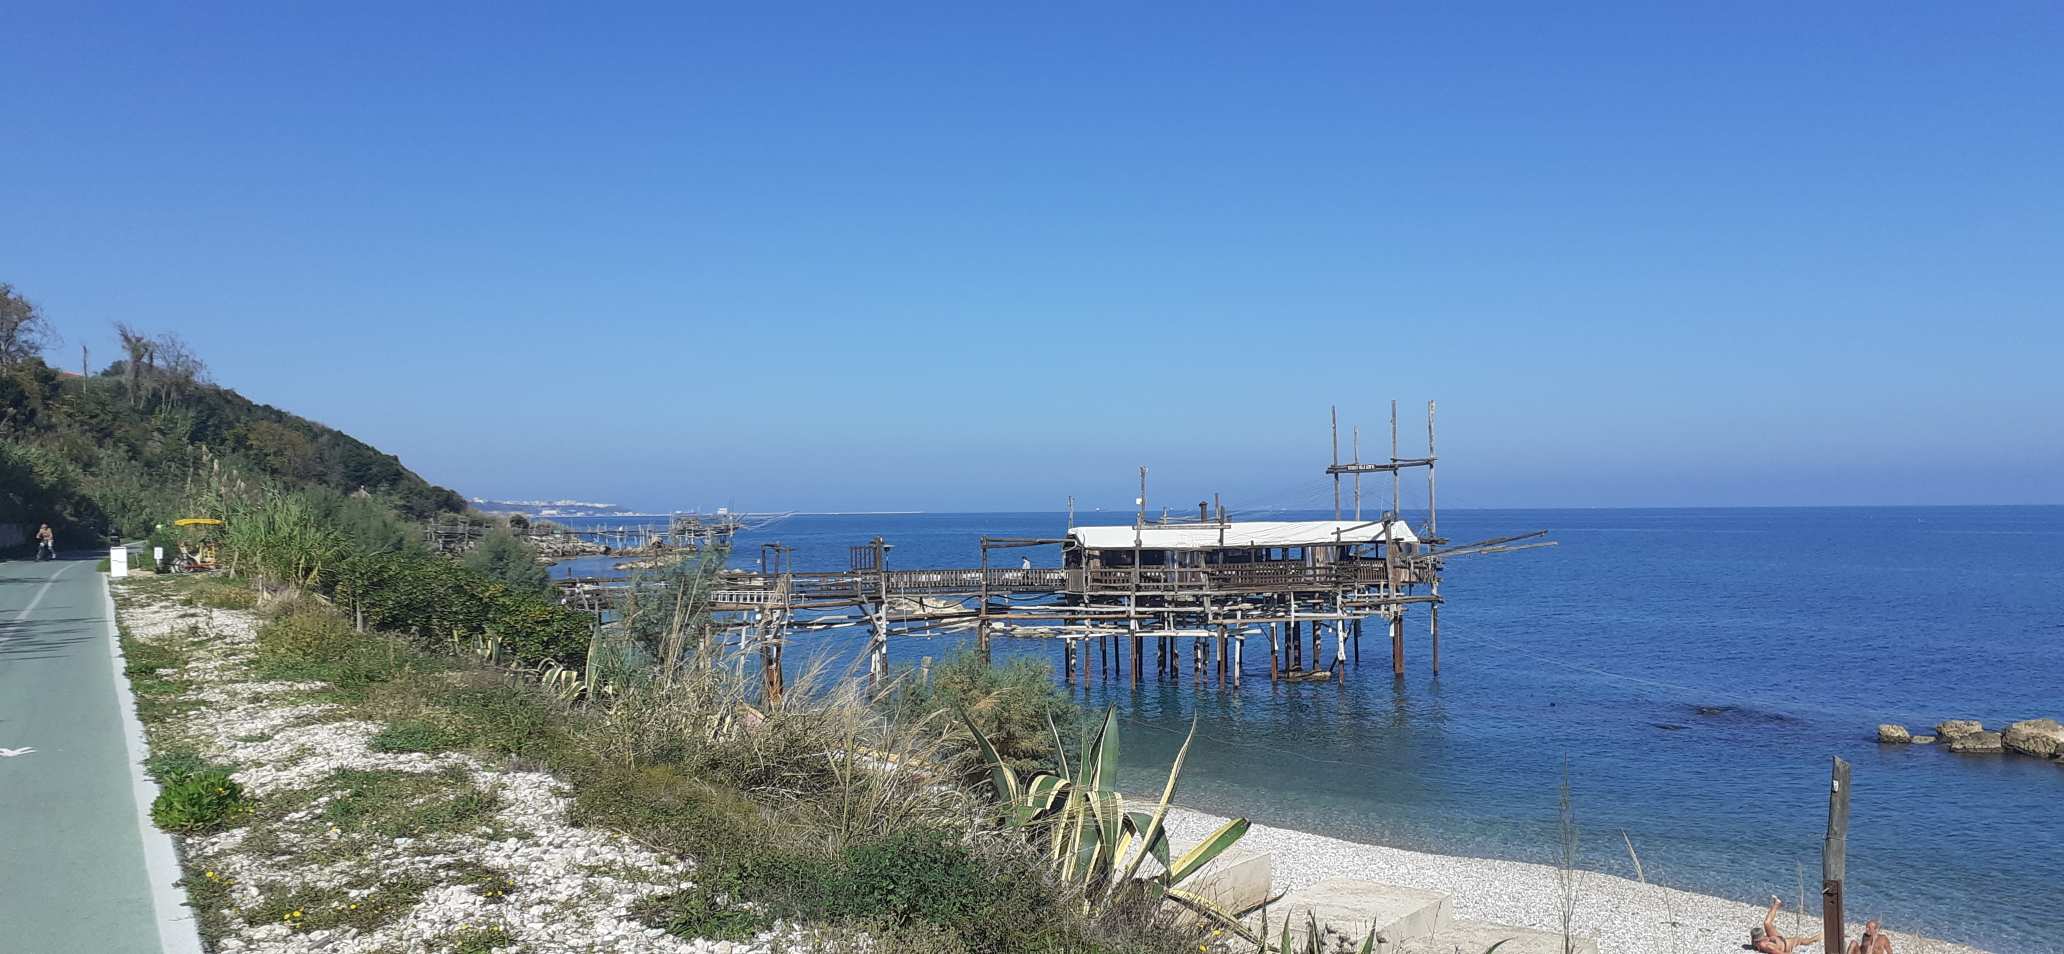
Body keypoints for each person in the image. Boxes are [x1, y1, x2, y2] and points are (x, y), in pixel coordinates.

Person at [1749, 897, 1822, 954]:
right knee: (1807, 941)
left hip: (1779, 940)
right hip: (1786, 944)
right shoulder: (1768, 947)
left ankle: (1777, 904)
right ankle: (1823, 935)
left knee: (1767, 923)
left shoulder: (1762, 944)